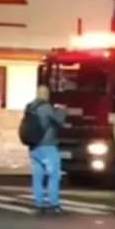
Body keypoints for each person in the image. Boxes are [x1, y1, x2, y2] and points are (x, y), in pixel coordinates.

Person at [23, 85, 68, 214]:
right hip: (47, 145)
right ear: (46, 94)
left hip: (33, 146)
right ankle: (54, 204)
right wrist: (62, 110)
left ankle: (39, 203)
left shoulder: (29, 107)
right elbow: (59, 121)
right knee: (54, 175)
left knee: (38, 175)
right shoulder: (46, 107)